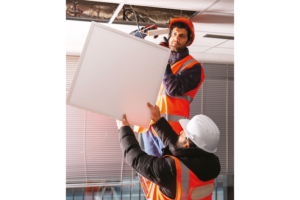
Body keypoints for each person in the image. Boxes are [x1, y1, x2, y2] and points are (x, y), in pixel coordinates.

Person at [132, 17, 205, 158]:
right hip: (149, 125)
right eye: (174, 34)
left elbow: (172, 88)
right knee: (151, 171)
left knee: (168, 170)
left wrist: (163, 59)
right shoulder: (160, 60)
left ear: (188, 41)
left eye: (182, 36)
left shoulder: (193, 67)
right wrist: (140, 34)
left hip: (170, 130)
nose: (176, 38)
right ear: (169, 35)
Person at [116, 103, 220, 200]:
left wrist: (123, 128)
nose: (181, 131)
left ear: (187, 145)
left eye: (183, 133)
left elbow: (136, 159)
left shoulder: (172, 171)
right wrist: (158, 121)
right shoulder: (211, 163)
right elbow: (179, 148)